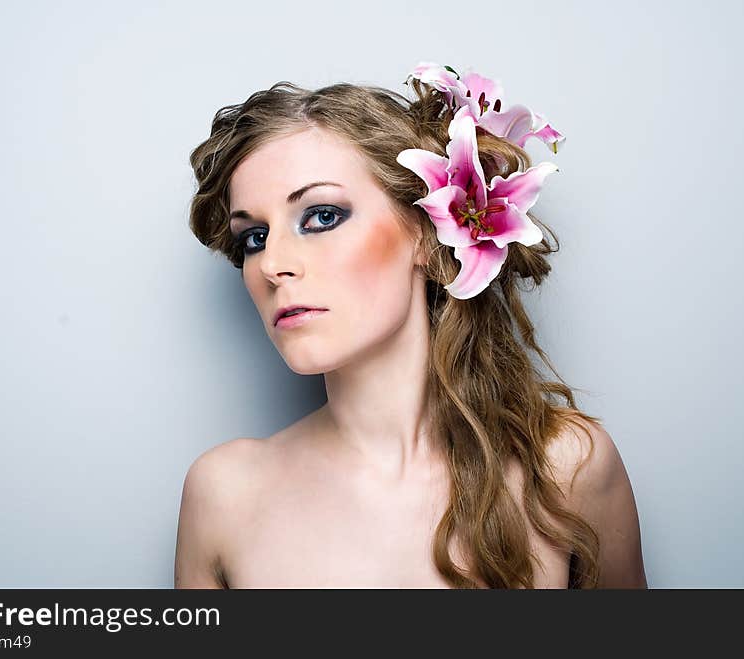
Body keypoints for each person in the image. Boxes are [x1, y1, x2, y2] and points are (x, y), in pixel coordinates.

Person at [175, 62, 647, 589]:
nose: (271, 264)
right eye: (253, 238)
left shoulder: (568, 467)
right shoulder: (224, 495)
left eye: (322, 216)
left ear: (428, 231)